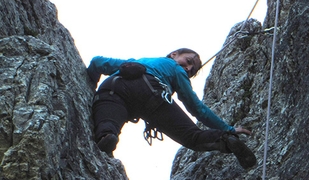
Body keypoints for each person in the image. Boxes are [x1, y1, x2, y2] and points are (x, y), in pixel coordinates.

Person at [86, 48, 256, 169]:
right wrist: (228, 128)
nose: (188, 69)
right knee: (193, 138)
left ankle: (106, 135)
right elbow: (195, 107)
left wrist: (89, 84)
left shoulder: (137, 62)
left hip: (114, 89)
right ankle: (226, 140)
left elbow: (97, 62)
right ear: (174, 54)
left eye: (192, 70)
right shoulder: (174, 68)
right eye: (189, 61)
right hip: (152, 94)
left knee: (108, 115)